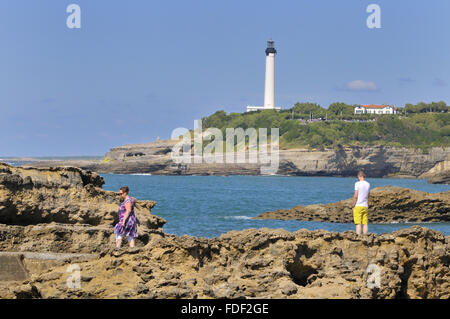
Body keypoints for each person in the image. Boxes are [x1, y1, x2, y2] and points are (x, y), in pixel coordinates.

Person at [352, 171, 370, 235]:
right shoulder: (368, 184)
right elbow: (368, 195)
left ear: (359, 176)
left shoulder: (357, 183)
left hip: (358, 205)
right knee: (365, 223)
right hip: (365, 205)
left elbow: (356, 195)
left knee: (358, 223)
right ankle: (365, 236)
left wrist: (353, 204)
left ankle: (359, 237)